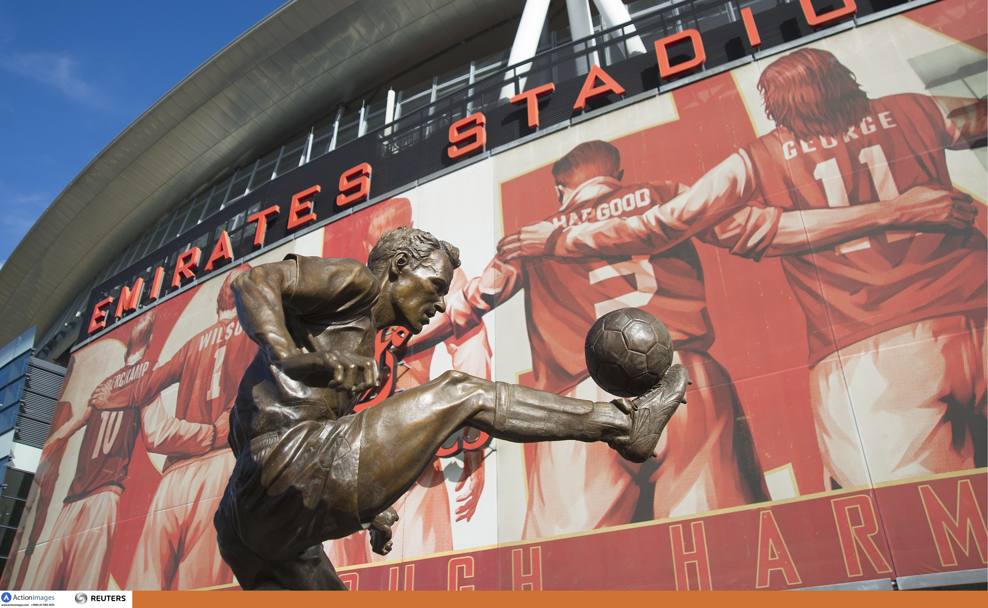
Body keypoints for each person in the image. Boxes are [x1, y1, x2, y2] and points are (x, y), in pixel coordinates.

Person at [498, 48, 987, 487]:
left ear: (776, 104)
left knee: (925, 528)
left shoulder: (756, 160)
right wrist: (902, 209)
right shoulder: (912, 109)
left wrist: (563, 238)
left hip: (873, 352)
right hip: (977, 306)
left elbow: (661, 224)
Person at [213, 226, 689, 590]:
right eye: (435, 286)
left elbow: (248, 433)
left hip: (245, 521)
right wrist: (289, 355)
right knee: (462, 392)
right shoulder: (356, 283)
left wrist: (364, 507)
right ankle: (621, 424)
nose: (440, 305)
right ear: (399, 265)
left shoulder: (349, 341)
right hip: (285, 472)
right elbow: (255, 281)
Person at [412, 140, 769, 538]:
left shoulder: (529, 238)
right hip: (686, 381)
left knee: (569, 568)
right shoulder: (667, 196)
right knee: (720, 549)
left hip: (578, 403)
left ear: (561, 191)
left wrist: (395, 337)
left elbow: (467, 303)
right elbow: (749, 230)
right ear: (616, 176)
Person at [322, 198, 490, 566]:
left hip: (400, 443)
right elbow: (470, 344)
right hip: (364, 450)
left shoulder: (434, 275)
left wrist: (474, 444)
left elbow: (469, 342)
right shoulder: (352, 287)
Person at [23, 312, 226, 589]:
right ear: (151, 338)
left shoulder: (109, 384)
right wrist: (210, 434)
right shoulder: (143, 375)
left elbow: (70, 427)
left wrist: (46, 450)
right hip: (93, 496)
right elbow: (155, 432)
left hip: (92, 494)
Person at [89, 266, 257, 589]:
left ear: (220, 302)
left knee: (145, 586)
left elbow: (148, 384)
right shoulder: (255, 334)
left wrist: (110, 398)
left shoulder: (192, 345)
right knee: (201, 585)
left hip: (174, 477)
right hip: (221, 464)